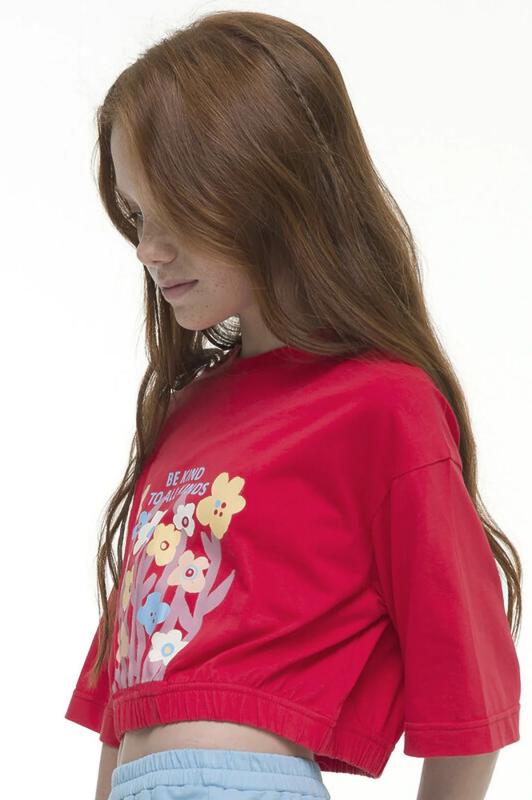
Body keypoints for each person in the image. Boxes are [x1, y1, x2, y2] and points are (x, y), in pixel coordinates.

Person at [64, 10, 522, 800]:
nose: (147, 249)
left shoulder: (383, 405)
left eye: (174, 208)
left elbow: (470, 691)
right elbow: (125, 702)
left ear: (268, 183)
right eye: (136, 216)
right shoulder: (185, 414)